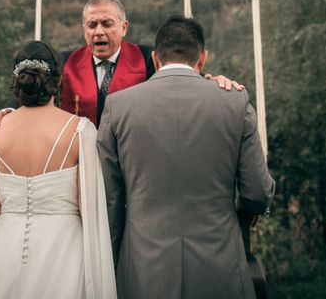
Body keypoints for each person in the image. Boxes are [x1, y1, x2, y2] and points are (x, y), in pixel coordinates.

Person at [97, 15, 275, 299]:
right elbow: (257, 192)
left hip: (144, 267)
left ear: (155, 59)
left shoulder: (118, 106)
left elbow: (110, 199)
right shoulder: (235, 101)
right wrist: (241, 214)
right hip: (221, 264)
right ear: (202, 59)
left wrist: (114, 260)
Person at [0, 41, 117, 299]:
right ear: (56, 79)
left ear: (18, 81)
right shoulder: (80, 130)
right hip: (63, 247)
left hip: (4, 245)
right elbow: (88, 205)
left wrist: (16, 201)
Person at [0, 0, 243, 137]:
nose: (98, 32)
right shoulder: (63, 61)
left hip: (134, 163)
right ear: (83, 29)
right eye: (92, 25)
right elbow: (32, 90)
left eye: (107, 24)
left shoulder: (148, 58)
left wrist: (211, 80)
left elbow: (183, 75)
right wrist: (5, 111)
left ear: (124, 27)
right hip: (76, 163)